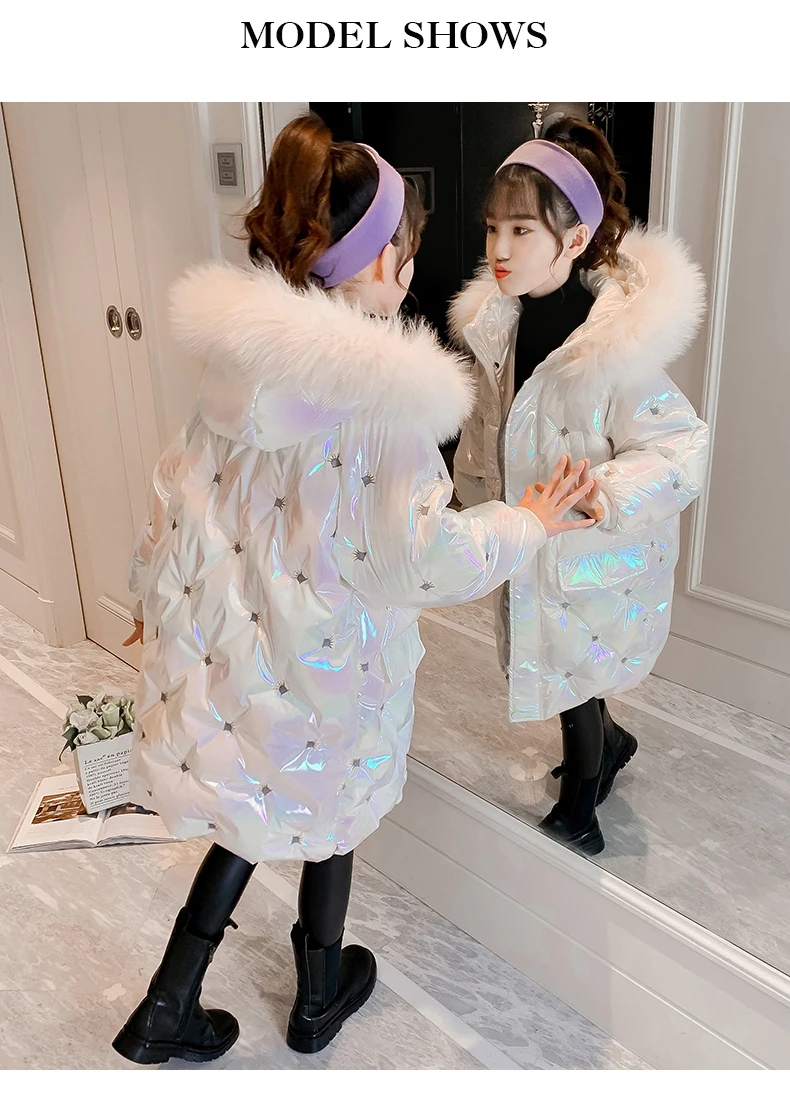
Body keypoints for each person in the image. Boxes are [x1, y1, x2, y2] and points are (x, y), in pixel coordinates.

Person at [112, 114, 597, 1065]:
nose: (410, 268)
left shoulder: (237, 366)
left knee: (252, 804)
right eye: (406, 249)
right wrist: (530, 521)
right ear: (378, 261)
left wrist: (149, 600)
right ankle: (317, 993)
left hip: (237, 653)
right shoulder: (382, 401)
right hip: (331, 656)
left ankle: (168, 1001)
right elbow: (423, 558)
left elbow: (174, 495)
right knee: (330, 815)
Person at [449, 116, 709, 857]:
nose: (499, 250)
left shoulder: (611, 346)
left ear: (572, 240)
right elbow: (490, 423)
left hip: (591, 551)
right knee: (567, 665)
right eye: (492, 228)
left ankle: (581, 807)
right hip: (533, 534)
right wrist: (472, 495)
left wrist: (609, 490)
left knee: (574, 677)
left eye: (521, 230)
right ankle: (613, 744)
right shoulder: (500, 324)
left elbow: (680, 444)